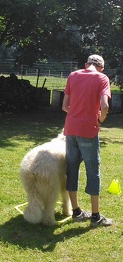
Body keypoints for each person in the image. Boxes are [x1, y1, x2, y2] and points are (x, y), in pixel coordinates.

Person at [62, 54, 113, 227]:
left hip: (70, 129)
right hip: (88, 131)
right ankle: (96, 216)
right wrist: (100, 120)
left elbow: (64, 106)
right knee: (93, 171)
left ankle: (76, 212)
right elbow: (105, 106)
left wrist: (76, 115)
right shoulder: (102, 78)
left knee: (72, 169)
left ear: (86, 64)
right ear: (101, 67)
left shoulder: (73, 75)